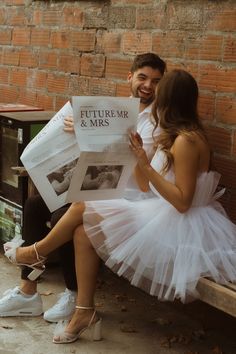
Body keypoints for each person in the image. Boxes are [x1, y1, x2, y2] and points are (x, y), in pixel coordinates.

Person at [4, 69, 236, 344]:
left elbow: (182, 202)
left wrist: (146, 164)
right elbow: (143, 185)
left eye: (159, 95)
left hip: (179, 224)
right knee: (82, 232)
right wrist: (135, 156)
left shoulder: (187, 140)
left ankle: (35, 252)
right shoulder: (171, 136)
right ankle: (85, 313)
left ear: (168, 101)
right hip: (158, 209)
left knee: (83, 206)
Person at [0, 52, 167, 322]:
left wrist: (90, 134)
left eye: (156, 81)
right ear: (130, 77)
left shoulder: (159, 120)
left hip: (128, 192)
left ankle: (72, 293)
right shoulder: (114, 108)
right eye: (143, 77)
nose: (148, 85)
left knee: (61, 217)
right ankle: (28, 291)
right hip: (99, 181)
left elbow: (138, 161)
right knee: (34, 204)